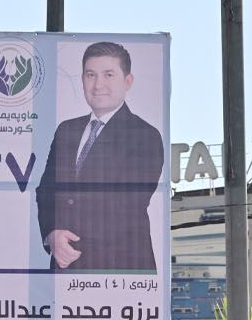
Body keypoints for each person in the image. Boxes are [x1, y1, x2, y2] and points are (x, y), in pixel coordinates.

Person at [35, 41, 165, 272]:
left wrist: (69, 237)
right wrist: (52, 233)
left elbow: (128, 203)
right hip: (65, 268)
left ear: (127, 81)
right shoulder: (66, 131)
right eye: (90, 75)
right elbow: (46, 190)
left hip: (121, 269)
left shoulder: (145, 135)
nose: (98, 85)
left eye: (108, 75)